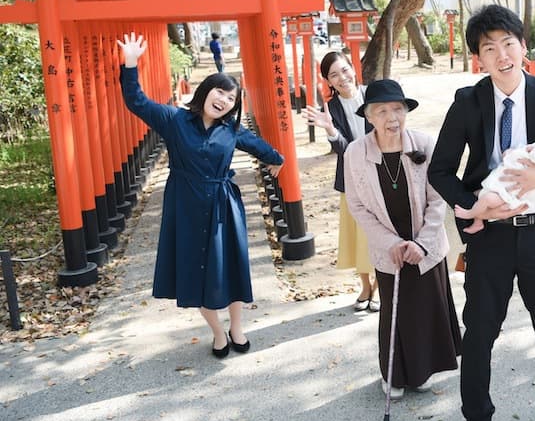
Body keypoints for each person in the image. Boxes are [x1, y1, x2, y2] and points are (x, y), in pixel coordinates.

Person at [429, 5, 535, 421]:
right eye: (489, 48)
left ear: (523, 47)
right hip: (489, 234)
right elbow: (440, 170)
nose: (501, 55)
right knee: (478, 332)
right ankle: (476, 417)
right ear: (479, 57)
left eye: (508, 44)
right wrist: (473, 205)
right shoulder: (468, 101)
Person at [117, 32, 284, 358]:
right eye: (220, 91)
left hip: (223, 206)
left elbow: (260, 147)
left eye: (232, 99)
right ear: (206, 90)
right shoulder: (174, 120)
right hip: (185, 206)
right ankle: (218, 332)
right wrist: (131, 62)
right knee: (196, 271)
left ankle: (237, 327)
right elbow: (136, 100)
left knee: (231, 269)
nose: (224, 100)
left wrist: (277, 159)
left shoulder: (232, 130)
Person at [343, 79, 461, 399]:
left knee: (426, 308)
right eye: (382, 111)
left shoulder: (424, 142)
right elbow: (356, 205)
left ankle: (423, 371)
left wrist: (422, 242)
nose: (391, 117)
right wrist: (389, 243)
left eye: (398, 108)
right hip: (388, 248)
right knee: (394, 312)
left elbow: (438, 200)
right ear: (369, 116)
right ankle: (393, 374)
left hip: (426, 246)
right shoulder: (355, 152)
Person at [304, 51, 379, 312]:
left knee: (380, 232)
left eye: (344, 70)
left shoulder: (374, 94)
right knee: (356, 233)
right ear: (329, 81)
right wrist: (331, 130)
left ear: (353, 68)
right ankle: (365, 286)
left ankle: (380, 286)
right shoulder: (332, 109)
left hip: (382, 176)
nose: (342, 77)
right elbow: (345, 151)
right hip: (352, 180)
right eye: (334, 75)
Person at [453, 135, 535, 234]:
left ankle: (470, 214)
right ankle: (478, 221)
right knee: (478, 195)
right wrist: (512, 152)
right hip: (502, 185)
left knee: (486, 199)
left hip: (512, 194)